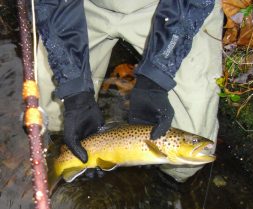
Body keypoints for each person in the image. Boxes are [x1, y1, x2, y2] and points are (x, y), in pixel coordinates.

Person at [35, 0, 223, 182]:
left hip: (174, 11)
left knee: (187, 157)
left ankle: (169, 183)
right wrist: (74, 91)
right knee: (51, 113)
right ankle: (56, 160)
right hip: (79, 8)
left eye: (193, 142)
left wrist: (156, 76)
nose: (197, 143)